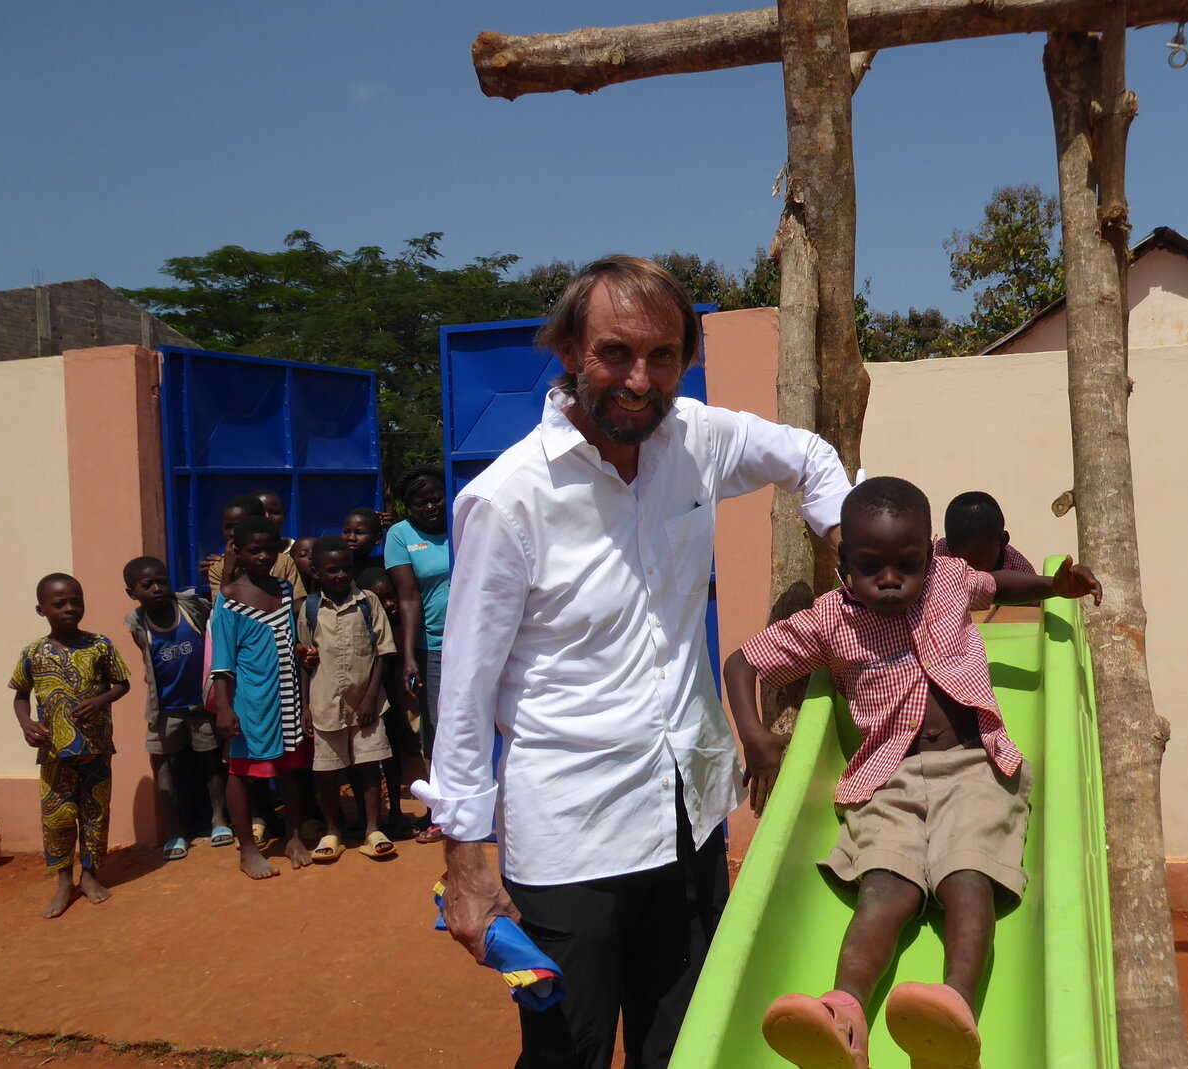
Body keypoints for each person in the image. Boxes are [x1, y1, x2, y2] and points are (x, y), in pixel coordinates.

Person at [418, 255, 853, 1069]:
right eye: (615, 352)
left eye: (662, 356)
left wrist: (850, 547)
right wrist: (465, 864)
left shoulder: (696, 441)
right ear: (569, 353)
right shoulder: (509, 500)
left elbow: (809, 456)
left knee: (685, 1048)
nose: (639, 378)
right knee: (566, 1053)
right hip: (569, 844)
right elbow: (467, 694)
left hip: (688, 823)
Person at [724, 477, 1101, 1069]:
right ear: (843, 560)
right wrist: (757, 738)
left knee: (967, 878)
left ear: (932, 553)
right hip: (887, 778)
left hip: (978, 765)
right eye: (871, 566)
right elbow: (744, 661)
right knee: (882, 891)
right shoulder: (829, 621)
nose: (892, 579)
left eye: (908, 563)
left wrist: (1054, 587)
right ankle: (843, 1016)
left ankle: (955, 1014)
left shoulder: (950, 584)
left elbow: (997, 581)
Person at [10, 573, 131, 918]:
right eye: (59, 604)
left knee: (95, 812)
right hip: (53, 751)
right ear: (41, 609)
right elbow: (21, 696)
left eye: (76, 601)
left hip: (96, 746)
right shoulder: (32, 653)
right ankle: (64, 881)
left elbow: (122, 684)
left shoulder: (100, 645)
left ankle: (90, 876)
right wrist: (26, 724)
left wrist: (101, 700)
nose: (69, 608)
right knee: (58, 817)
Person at [209, 515, 313, 878]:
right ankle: (248, 850)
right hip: (251, 702)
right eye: (255, 550)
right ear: (237, 551)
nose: (263, 556)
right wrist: (224, 707)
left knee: (291, 770)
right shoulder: (229, 599)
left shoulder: (284, 590)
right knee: (242, 772)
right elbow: (222, 662)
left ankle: (293, 836)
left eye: (270, 549)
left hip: (289, 697)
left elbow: (292, 641)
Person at [296, 538, 398, 862]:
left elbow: (383, 653)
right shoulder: (310, 608)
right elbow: (304, 658)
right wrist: (306, 708)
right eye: (332, 570)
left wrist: (370, 698)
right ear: (317, 572)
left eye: (346, 569)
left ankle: (372, 829)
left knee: (369, 766)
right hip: (325, 702)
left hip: (366, 705)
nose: (340, 575)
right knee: (327, 771)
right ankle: (333, 832)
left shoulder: (368, 603)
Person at [122, 556, 228, 860]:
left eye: (161, 581)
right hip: (164, 709)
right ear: (132, 593)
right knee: (166, 768)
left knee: (211, 762)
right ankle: (175, 832)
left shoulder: (190, 607)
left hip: (199, 706)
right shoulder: (137, 624)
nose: (157, 588)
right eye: (147, 585)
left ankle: (219, 820)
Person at [384, 465, 452, 843]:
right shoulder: (400, 535)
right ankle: (439, 811)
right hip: (435, 648)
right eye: (420, 502)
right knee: (439, 729)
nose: (430, 507)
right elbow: (407, 597)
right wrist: (408, 656)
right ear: (407, 506)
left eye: (435, 498)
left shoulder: (461, 519)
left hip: (480, 642)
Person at [359, 565, 424, 840]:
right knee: (389, 755)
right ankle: (389, 813)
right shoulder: (369, 626)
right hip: (380, 700)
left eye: (391, 597)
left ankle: (410, 811)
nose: (389, 605)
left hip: (404, 701)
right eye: (381, 600)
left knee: (412, 751)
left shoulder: (406, 629)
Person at [203, 494, 306, 600]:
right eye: (228, 527)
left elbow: (297, 604)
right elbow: (220, 612)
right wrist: (228, 571)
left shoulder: (284, 563)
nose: (232, 533)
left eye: (239, 526)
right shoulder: (219, 569)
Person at [933, 490, 1036, 575]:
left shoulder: (1019, 570)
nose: (969, 571)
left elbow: (1034, 597)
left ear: (1003, 541)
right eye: (958, 563)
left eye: (978, 562)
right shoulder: (938, 556)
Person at [343, 506, 384, 572]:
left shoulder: (384, 568)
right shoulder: (327, 567)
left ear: (377, 538)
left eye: (359, 533)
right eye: (346, 532)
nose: (351, 538)